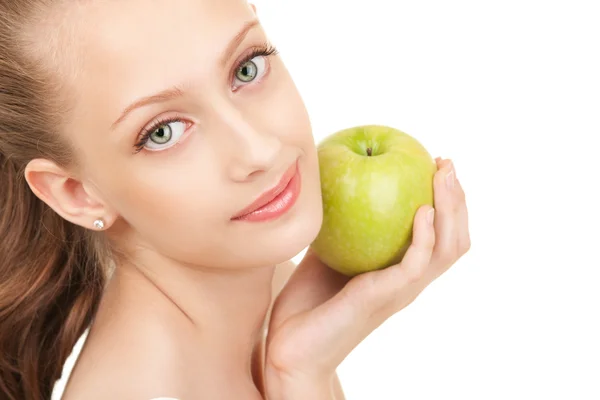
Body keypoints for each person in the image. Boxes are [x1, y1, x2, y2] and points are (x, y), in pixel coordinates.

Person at [0, 0, 471, 399]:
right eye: (163, 132)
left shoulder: (265, 283)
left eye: (247, 68)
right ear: (78, 195)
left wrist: (302, 370)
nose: (259, 150)